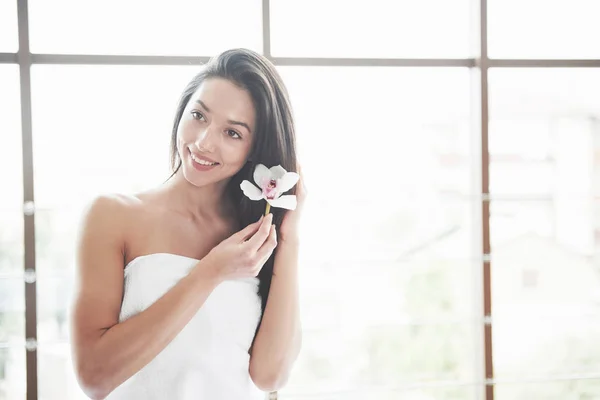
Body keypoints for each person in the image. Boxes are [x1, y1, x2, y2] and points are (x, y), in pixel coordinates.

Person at [69, 48, 304, 400]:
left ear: (255, 150)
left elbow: (270, 375)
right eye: (199, 115)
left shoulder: (254, 241)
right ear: (182, 111)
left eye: (233, 133)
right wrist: (209, 273)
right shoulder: (113, 216)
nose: (204, 142)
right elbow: (95, 378)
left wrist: (290, 236)